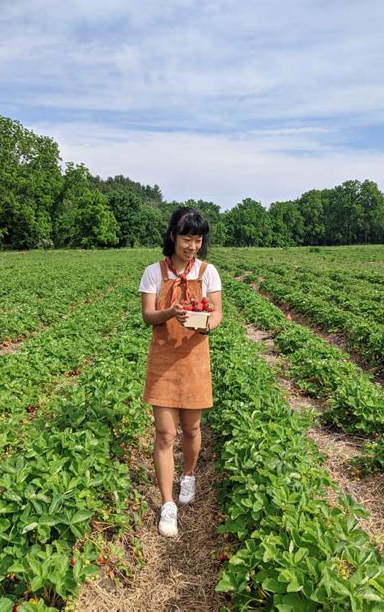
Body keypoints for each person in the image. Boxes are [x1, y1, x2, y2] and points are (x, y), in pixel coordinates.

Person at [138, 207, 222, 537]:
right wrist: (170, 312)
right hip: (163, 360)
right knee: (164, 434)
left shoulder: (208, 272)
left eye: (198, 239)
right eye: (187, 238)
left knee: (192, 427)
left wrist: (204, 326)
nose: (192, 246)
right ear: (173, 235)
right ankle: (167, 503)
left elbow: (216, 314)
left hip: (194, 358)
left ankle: (188, 473)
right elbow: (147, 316)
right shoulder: (154, 273)